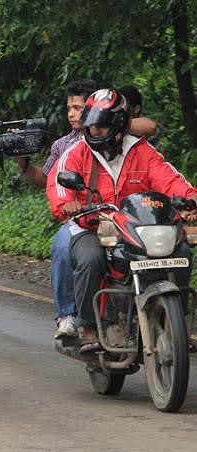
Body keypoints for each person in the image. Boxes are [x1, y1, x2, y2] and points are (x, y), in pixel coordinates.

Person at [46, 88, 197, 353]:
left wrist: (190, 200)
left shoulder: (142, 151)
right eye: (91, 127)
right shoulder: (77, 152)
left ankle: (178, 317)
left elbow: (171, 179)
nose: (93, 132)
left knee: (181, 251)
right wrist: (66, 204)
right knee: (91, 258)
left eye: (100, 128)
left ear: (117, 126)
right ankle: (88, 326)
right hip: (92, 224)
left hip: (137, 227)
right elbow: (58, 181)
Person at [19, 80, 157, 340]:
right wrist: (23, 163)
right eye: (69, 108)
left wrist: (112, 121)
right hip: (84, 217)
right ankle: (71, 317)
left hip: (130, 219)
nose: (73, 114)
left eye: (78, 108)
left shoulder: (131, 143)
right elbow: (49, 179)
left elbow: (149, 128)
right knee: (68, 250)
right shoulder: (66, 146)